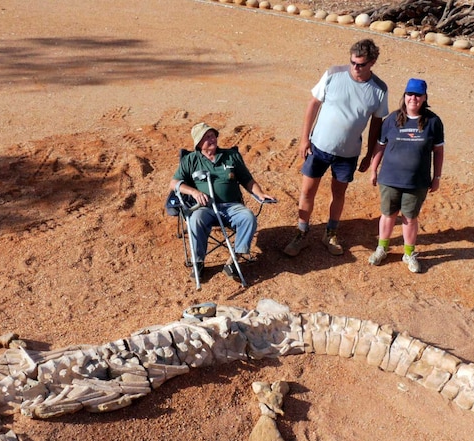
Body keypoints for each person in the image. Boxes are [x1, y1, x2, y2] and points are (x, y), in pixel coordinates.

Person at [283, 39, 389, 258]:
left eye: (360, 64)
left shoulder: (379, 90)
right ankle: (301, 232)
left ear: (373, 62)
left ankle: (330, 233)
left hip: (348, 154)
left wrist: (370, 154)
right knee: (307, 191)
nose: (355, 68)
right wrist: (304, 139)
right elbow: (313, 104)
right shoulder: (333, 74)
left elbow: (376, 124)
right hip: (319, 147)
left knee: (338, 194)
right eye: (352, 62)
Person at [170, 122, 275, 281]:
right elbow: (174, 183)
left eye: (212, 135)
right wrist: (194, 192)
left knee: (248, 217)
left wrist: (260, 194)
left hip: (232, 206)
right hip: (204, 207)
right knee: (195, 219)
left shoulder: (231, 156)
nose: (212, 139)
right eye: (206, 137)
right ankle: (198, 262)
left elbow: (247, 180)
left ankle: (233, 261)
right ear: (198, 143)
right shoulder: (191, 159)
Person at [367, 78, 445, 273]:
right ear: (404, 96)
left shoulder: (433, 122)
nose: (413, 98)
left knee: (409, 217)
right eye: (410, 94)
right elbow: (380, 146)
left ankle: (409, 253)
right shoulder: (392, 120)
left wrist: (437, 177)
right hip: (390, 178)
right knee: (387, 214)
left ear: (425, 97)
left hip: (416, 181)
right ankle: (382, 248)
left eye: (418, 95)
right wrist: (373, 169)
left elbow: (439, 151)